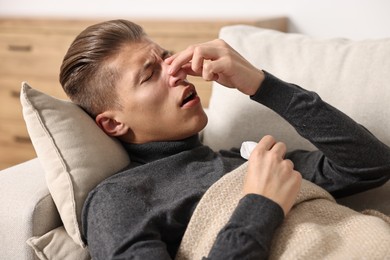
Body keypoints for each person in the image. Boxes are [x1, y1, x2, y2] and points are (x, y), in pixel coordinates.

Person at [59, 19, 390, 259]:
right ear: (114, 124)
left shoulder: (242, 159)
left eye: (167, 58)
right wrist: (261, 205)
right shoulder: (119, 200)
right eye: (150, 74)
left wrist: (262, 85)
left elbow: (372, 164)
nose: (175, 71)